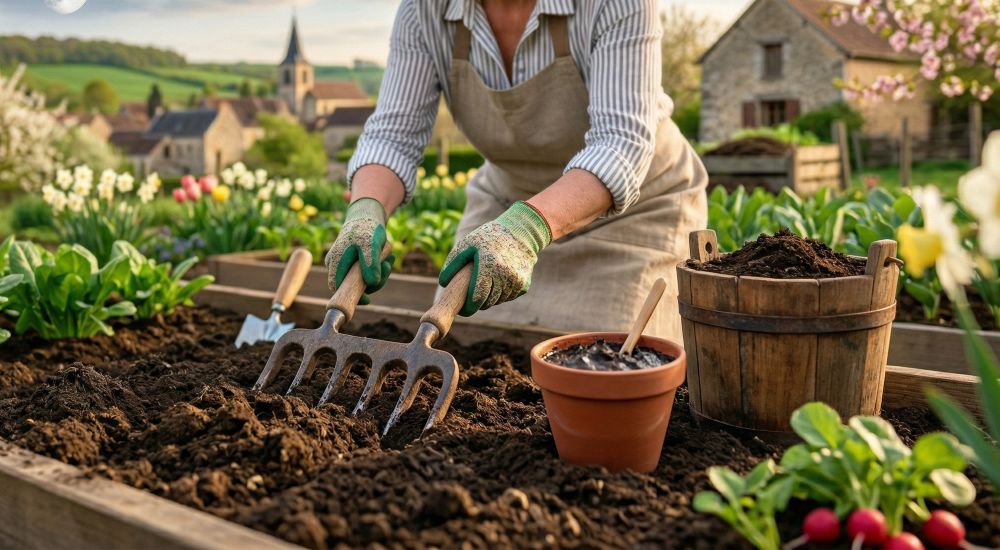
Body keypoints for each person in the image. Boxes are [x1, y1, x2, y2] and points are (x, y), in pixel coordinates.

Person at [326, 0, 707, 341]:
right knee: (465, 347)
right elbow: (393, 137)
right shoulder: (425, 10)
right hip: (502, 211)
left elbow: (620, 143)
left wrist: (525, 230)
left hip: (636, 214)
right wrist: (366, 211)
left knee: (609, 365)